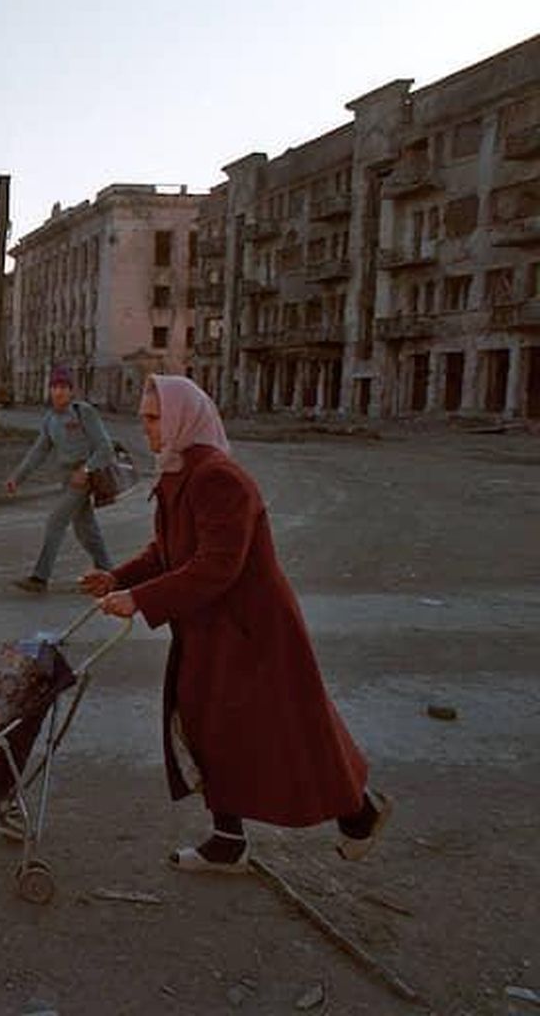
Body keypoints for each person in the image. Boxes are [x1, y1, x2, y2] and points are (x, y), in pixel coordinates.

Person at [80, 374, 391, 873]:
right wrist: (117, 577)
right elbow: (168, 550)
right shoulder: (181, 470)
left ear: (184, 417)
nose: (147, 430)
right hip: (213, 626)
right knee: (213, 728)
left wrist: (138, 599)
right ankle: (230, 839)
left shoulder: (218, 478)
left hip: (252, 632)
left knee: (287, 730)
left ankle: (358, 812)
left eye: (155, 419)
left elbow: (216, 566)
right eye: (143, 419)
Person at [4, 364, 115, 593]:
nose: (59, 392)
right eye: (55, 387)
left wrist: (86, 470)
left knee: (56, 522)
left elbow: (105, 448)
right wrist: (17, 478)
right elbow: (38, 452)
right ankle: (110, 573)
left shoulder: (83, 412)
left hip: (83, 478)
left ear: (71, 390)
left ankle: (40, 578)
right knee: (86, 530)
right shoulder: (50, 419)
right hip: (67, 479)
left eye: (64, 387)